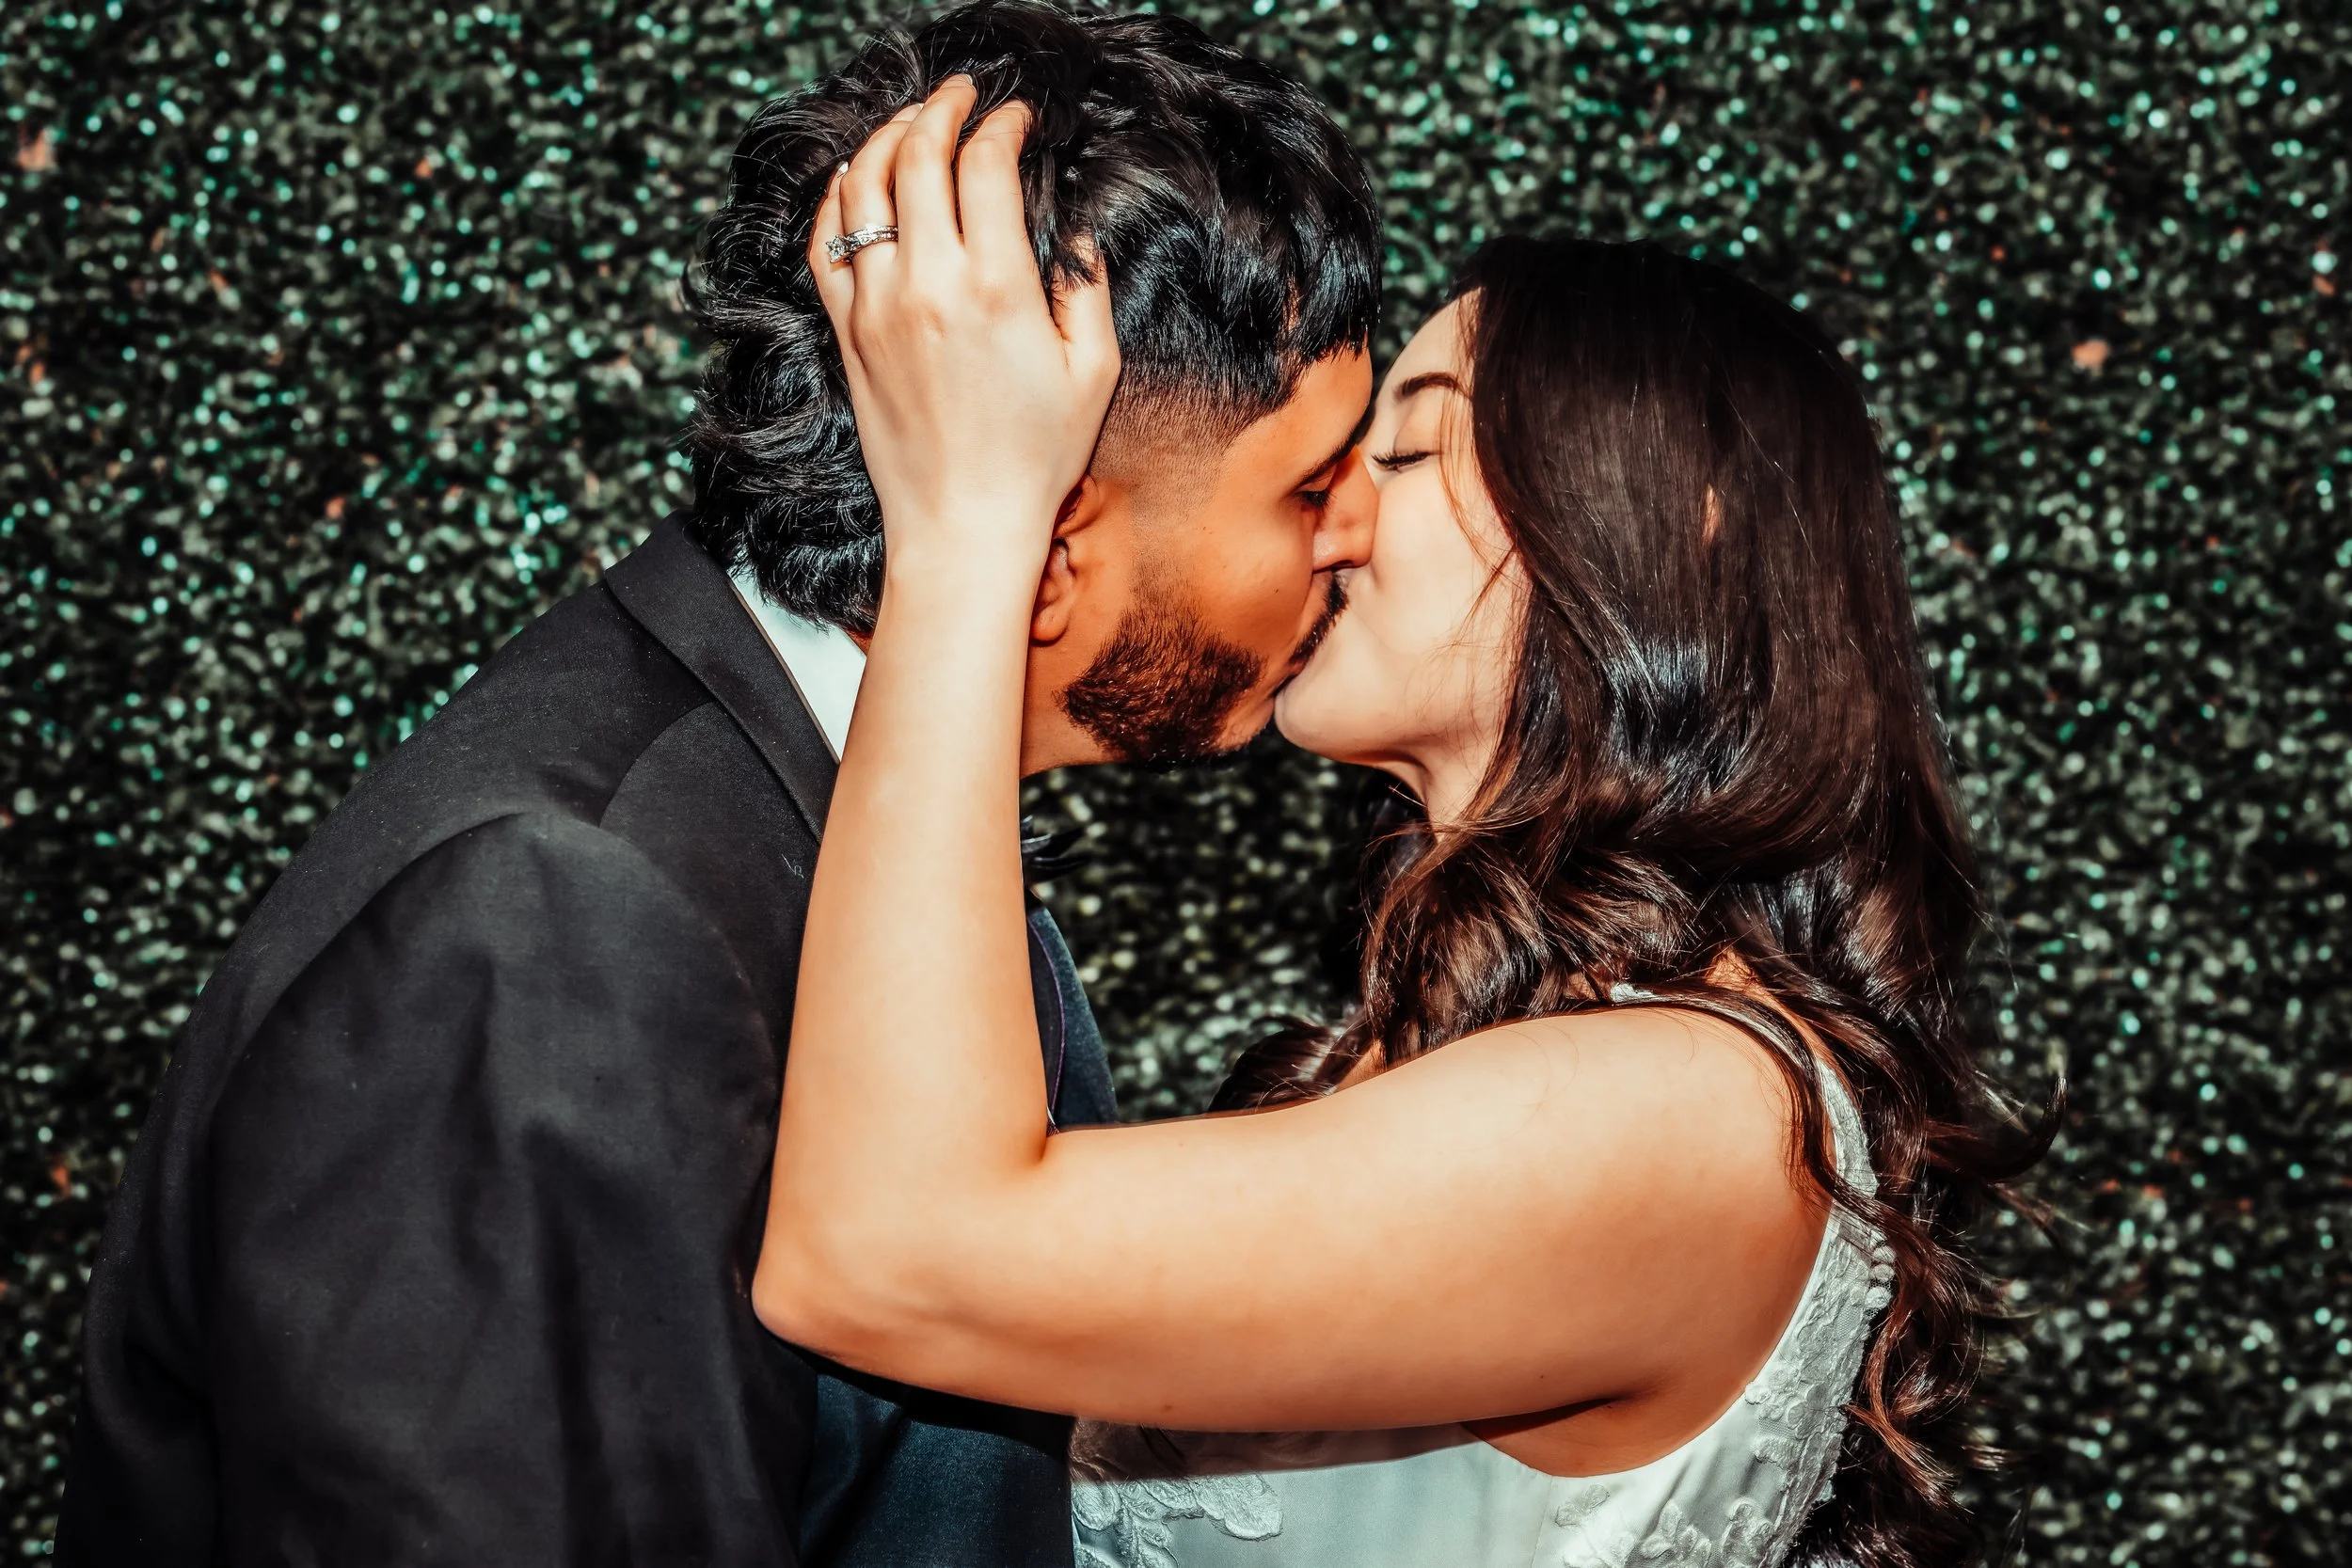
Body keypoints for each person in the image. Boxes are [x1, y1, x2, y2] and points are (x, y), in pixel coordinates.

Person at [56, 6, 1382, 1562]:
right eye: (1311, 479)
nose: (1362, 526)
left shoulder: (800, 801)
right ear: (1049, 548)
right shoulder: (559, 931)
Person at [752, 82, 2054, 1568]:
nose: (1330, 520)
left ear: (1654, 528)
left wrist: (975, 517)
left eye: (1411, 452)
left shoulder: (1684, 1114)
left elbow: (892, 1255)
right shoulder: (1537, 1055)